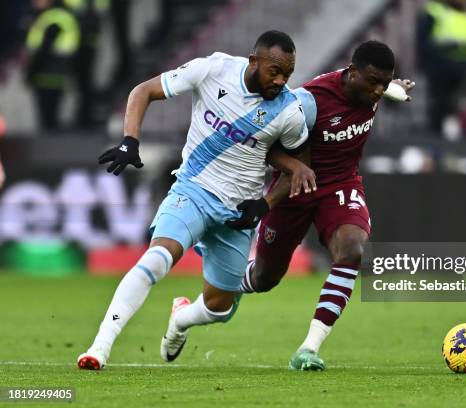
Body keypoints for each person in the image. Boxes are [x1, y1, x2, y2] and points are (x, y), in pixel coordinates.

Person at [77, 30, 315, 370]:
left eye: (287, 74)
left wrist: (264, 204)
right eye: (274, 71)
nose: (280, 80)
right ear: (253, 61)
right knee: (157, 258)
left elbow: (297, 168)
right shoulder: (213, 69)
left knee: (220, 308)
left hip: (238, 213)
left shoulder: (288, 111)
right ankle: (99, 347)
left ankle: (180, 320)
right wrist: (130, 140)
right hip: (193, 191)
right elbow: (142, 91)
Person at [235, 41, 414, 370]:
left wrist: (393, 87)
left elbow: (383, 87)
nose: (377, 91)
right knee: (265, 278)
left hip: (341, 185)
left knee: (353, 250)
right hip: (295, 187)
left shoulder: (376, 88)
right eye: (372, 81)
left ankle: (309, 348)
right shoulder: (309, 101)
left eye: (383, 83)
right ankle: (218, 290)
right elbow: (266, 143)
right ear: (351, 72)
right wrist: (292, 170)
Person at [417, 0, 466, 132]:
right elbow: (423, 40)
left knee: (454, 104)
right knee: (439, 103)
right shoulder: (436, 12)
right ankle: (436, 133)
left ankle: (450, 132)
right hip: (440, 68)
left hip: (460, 70)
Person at [25, 0, 81, 130]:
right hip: (57, 76)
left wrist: (31, 72)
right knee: (51, 121)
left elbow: (44, 49)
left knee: (47, 121)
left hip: (46, 75)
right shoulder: (60, 15)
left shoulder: (53, 17)